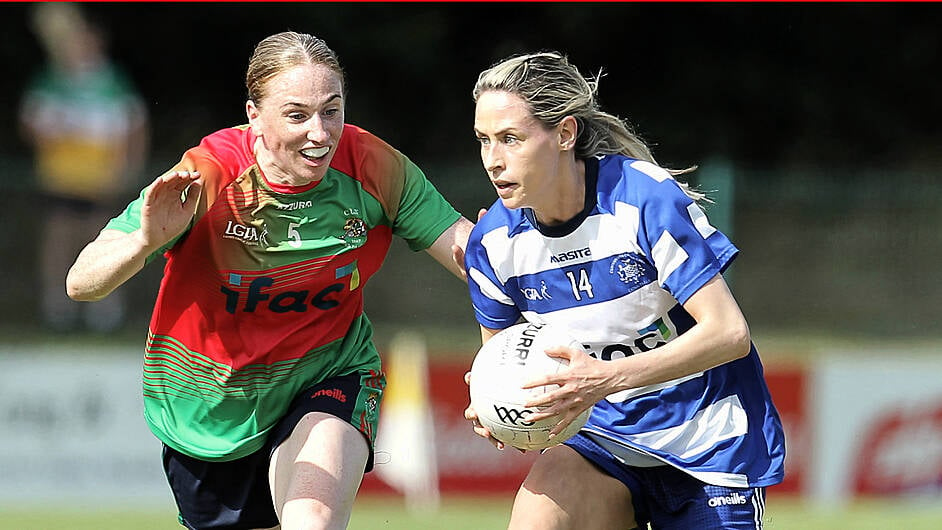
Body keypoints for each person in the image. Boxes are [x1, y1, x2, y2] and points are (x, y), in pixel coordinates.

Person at [66, 31, 473, 530]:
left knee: (312, 519)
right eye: (297, 114)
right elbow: (82, 282)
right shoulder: (209, 175)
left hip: (330, 373)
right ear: (254, 116)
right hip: (208, 410)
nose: (321, 134)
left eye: (332, 110)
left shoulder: (373, 167)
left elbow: (469, 254)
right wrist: (144, 240)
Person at [462, 52, 785, 530]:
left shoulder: (643, 200)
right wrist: (494, 405)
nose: (494, 160)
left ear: (565, 135)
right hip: (603, 440)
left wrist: (604, 379)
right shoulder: (492, 243)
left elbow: (728, 333)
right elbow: (503, 360)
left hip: (707, 441)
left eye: (511, 139)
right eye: (484, 141)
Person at [20, 3, 149, 332]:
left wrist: (128, 165)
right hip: (62, 175)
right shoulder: (52, 79)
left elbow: (134, 126)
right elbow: (31, 124)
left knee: (103, 236)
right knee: (59, 235)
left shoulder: (114, 80)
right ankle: (58, 306)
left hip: (101, 173)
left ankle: (104, 308)